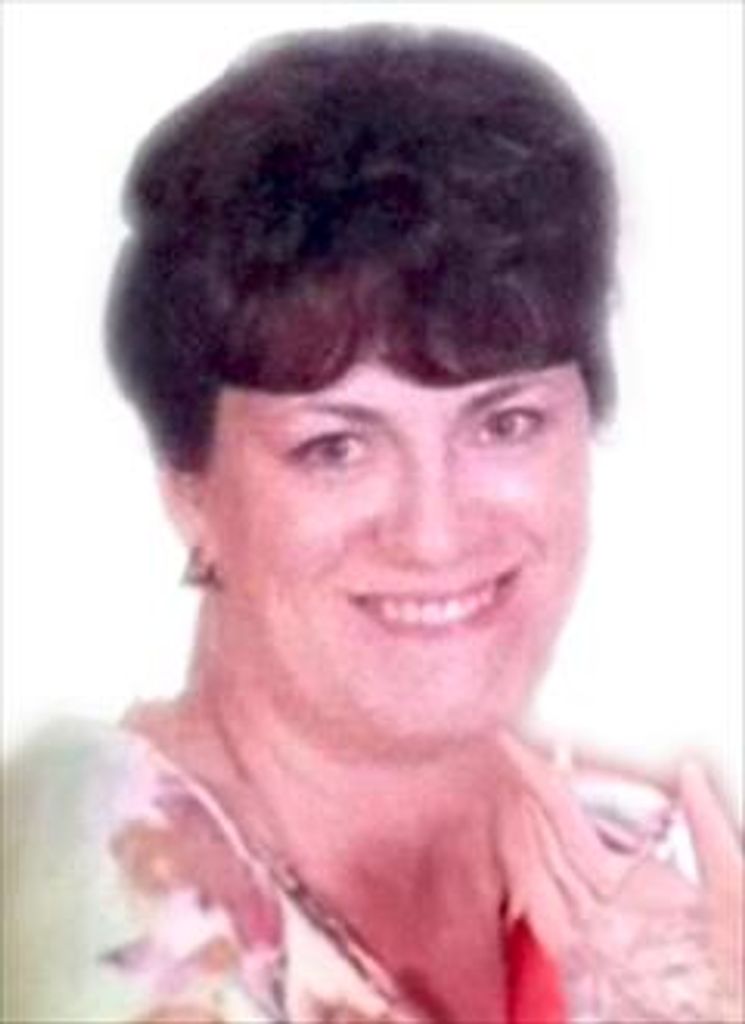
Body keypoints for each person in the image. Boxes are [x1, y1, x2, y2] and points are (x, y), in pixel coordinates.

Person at [3, 24, 742, 1024]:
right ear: (189, 491)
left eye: (504, 423)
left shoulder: (645, 869)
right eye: (335, 447)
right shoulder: (98, 886)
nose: (435, 534)